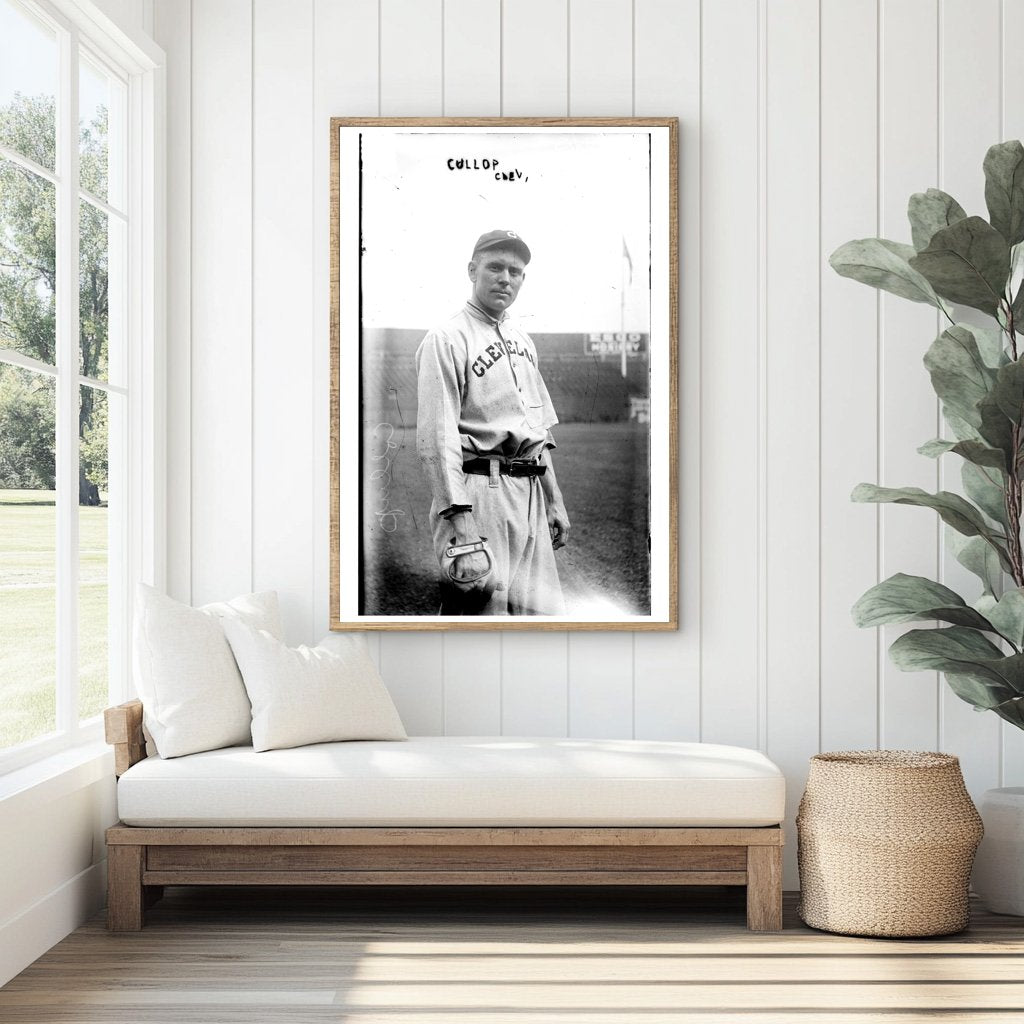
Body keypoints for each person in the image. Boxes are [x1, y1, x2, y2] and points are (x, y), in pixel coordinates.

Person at [415, 229, 570, 615]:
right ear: (472, 270)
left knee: (541, 617)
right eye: (495, 267)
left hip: (530, 491)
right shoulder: (447, 338)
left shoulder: (522, 338)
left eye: (515, 271)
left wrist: (555, 500)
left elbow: (537, 430)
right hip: (479, 492)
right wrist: (462, 526)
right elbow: (437, 439)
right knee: (482, 619)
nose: (505, 278)